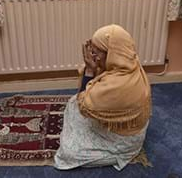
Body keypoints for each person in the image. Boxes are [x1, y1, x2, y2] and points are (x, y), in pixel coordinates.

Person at [54, 24, 152, 171]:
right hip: (132, 128)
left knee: (67, 153)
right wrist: (94, 66)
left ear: (112, 54)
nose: (94, 56)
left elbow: (84, 107)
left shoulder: (118, 84)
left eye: (97, 52)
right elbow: (97, 83)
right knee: (73, 102)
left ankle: (120, 154)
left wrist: (89, 70)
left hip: (124, 140)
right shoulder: (129, 62)